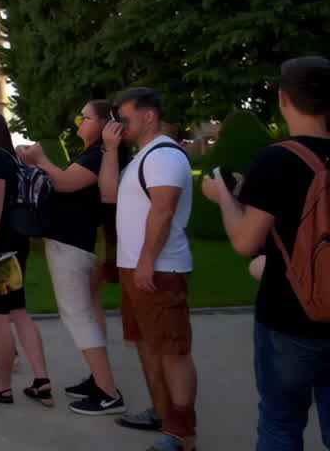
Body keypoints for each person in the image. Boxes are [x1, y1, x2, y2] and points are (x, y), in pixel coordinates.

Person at [203, 55, 330, 450]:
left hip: (291, 314)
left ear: (284, 99)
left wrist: (223, 196)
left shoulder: (276, 159)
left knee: (280, 421)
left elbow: (245, 241)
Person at [100, 87, 198, 451]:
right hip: (138, 268)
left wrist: (145, 262)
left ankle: (181, 434)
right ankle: (162, 414)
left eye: (123, 119)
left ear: (149, 115)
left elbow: (164, 210)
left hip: (159, 269)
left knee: (172, 351)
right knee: (147, 346)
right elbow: (108, 195)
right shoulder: (142, 157)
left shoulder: (164, 157)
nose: (118, 126)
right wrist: (110, 151)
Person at [21, 100, 129, 416]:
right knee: (88, 312)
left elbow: (65, 182)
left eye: (85, 117)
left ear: (104, 123)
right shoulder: (97, 155)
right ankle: (99, 380)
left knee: (77, 315)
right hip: (77, 242)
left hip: (71, 243)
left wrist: (40, 159)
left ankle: (109, 393)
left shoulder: (98, 155)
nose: (79, 122)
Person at [0, 110, 52, 406]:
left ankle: (1, 386)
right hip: (18, 244)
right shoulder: (13, 159)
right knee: (18, 312)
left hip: (1, 248)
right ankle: (42, 379)